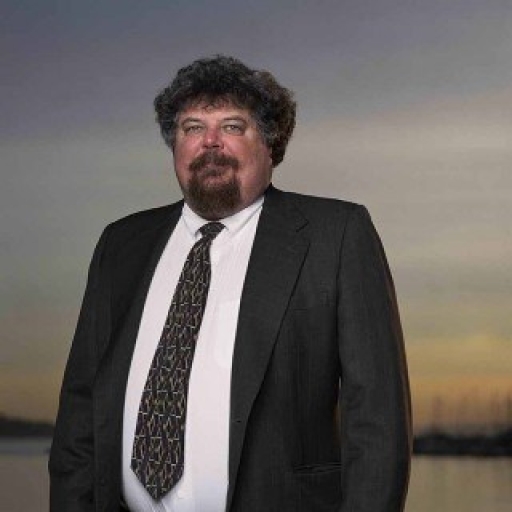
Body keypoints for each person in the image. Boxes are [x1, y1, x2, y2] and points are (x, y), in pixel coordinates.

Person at [49, 55, 411, 512]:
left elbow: (378, 420)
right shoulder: (121, 245)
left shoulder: (335, 235)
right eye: (192, 128)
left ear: (271, 144)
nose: (210, 142)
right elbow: (81, 411)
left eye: (233, 126)